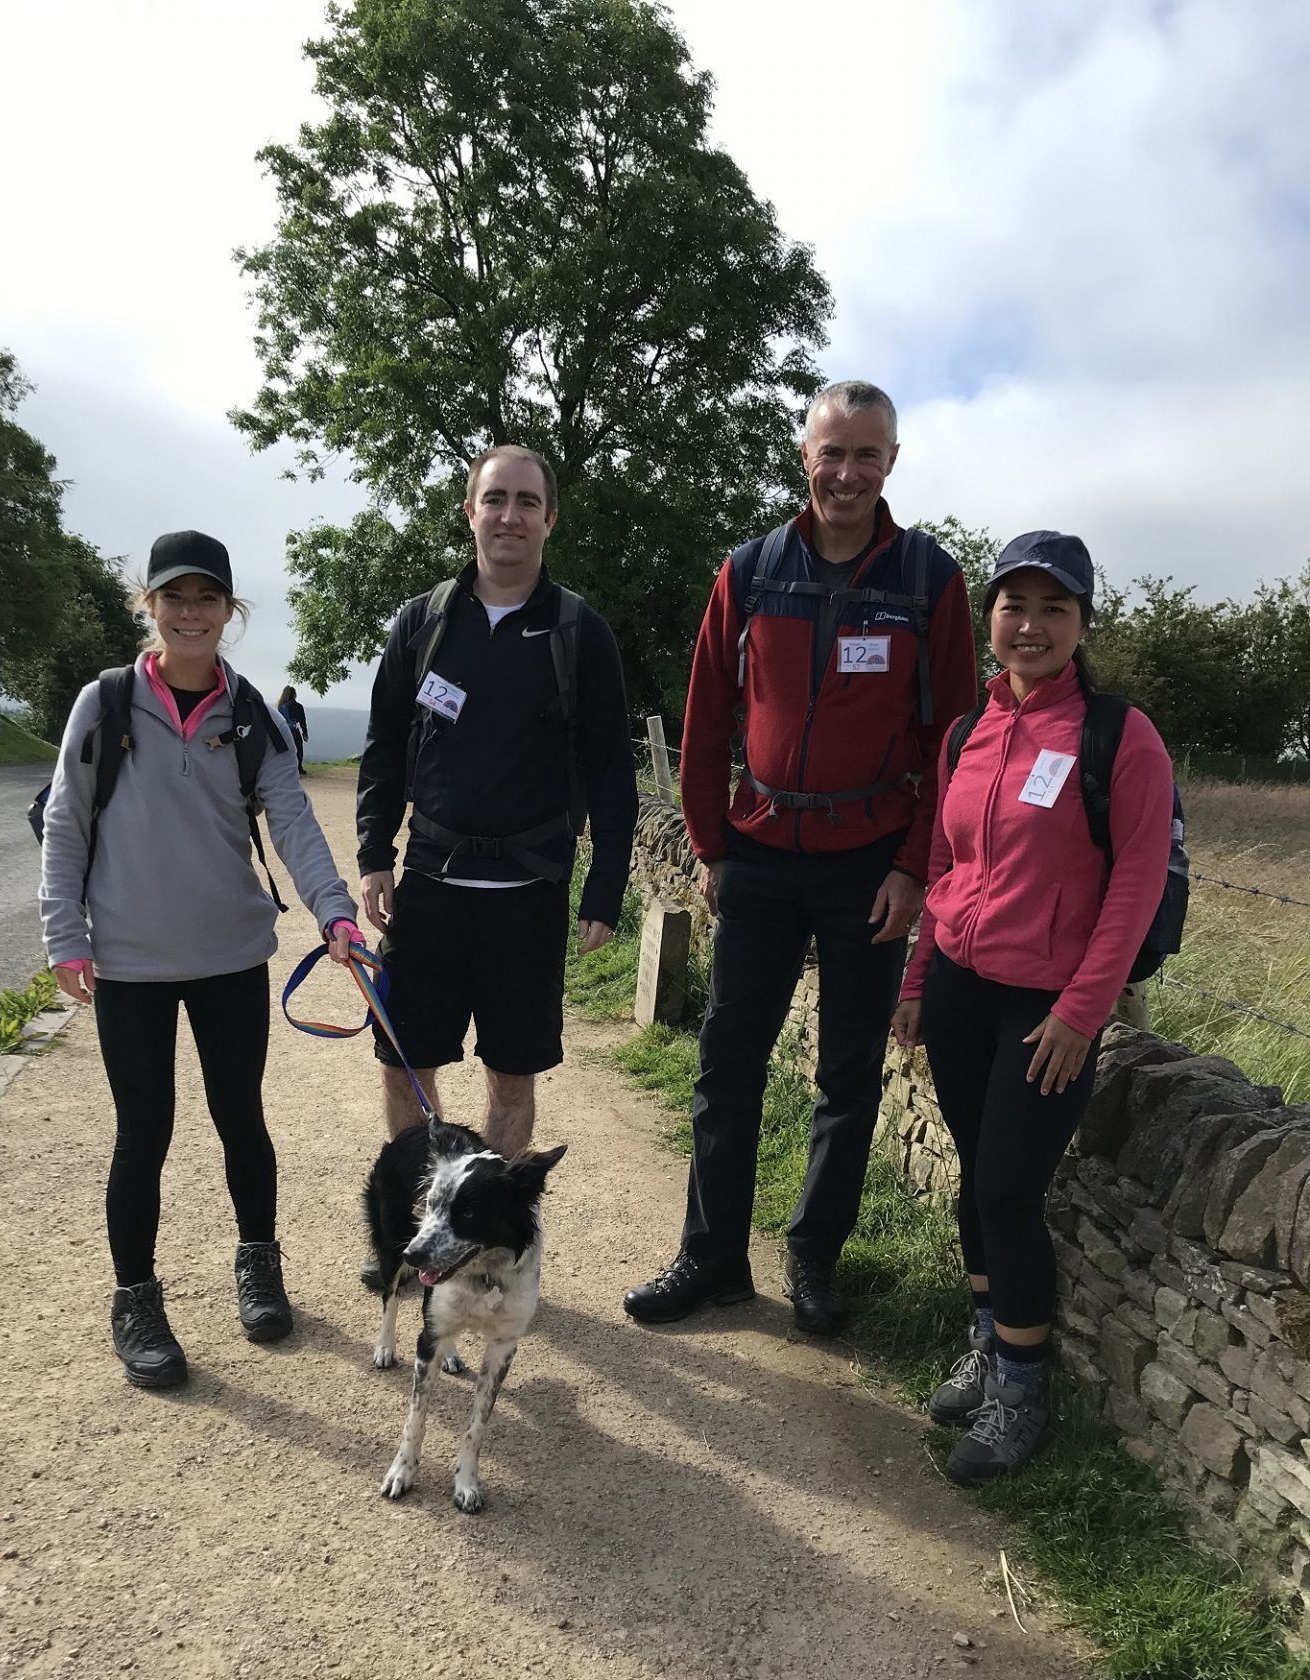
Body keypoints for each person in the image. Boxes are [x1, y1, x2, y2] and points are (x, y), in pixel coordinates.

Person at [624, 381, 978, 1331]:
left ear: (891, 464)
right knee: (725, 1062)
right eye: (833, 452)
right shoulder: (749, 570)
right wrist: (709, 843)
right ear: (805, 457)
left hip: (869, 862)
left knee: (848, 1074)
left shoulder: (930, 583)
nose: (848, 474)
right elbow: (705, 719)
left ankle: (814, 1259)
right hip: (761, 853)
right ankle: (711, 1259)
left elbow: (954, 738)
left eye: (867, 455)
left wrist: (915, 867)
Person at [39, 530, 362, 1391]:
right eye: (173, 598)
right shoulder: (104, 703)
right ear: (149, 606)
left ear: (229, 611)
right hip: (131, 963)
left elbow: (292, 818)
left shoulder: (247, 713)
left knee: (240, 1117)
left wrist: (336, 913)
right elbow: (68, 822)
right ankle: (136, 1300)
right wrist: (63, 935)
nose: (190, 613)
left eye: (206, 599)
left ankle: (258, 1262)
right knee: (143, 1133)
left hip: (228, 954)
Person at [891, 532, 1173, 1484]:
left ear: (1083, 624)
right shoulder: (966, 735)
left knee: (1008, 1188)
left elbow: (1133, 887)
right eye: (1015, 605)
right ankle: (986, 1340)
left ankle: (1022, 1388)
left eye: (1055, 608)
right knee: (978, 1174)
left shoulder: (1117, 735)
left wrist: (1081, 1012)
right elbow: (944, 866)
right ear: (991, 620)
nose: (1031, 625)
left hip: (1048, 1007)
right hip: (964, 989)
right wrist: (922, 980)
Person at [357, 444, 637, 1157]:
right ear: (470, 511)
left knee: (511, 1079)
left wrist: (603, 889)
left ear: (549, 520)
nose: (509, 516)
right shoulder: (422, 624)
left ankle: (484, 1242)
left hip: (528, 896)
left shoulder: (581, 633)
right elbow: (385, 747)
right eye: (495, 500)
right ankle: (427, 1231)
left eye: (526, 503)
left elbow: (610, 771)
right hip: (429, 888)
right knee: (404, 1066)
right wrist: (372, 855)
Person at [278, 684, 309, 772]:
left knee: (285, 749)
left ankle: (285, 768)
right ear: (294, 694)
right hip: (294, 730)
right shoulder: (298, 706)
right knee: (298, 748)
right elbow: (302, 721)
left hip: (283, 730)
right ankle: (298, 767)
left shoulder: (281, 706)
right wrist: (305, 733)